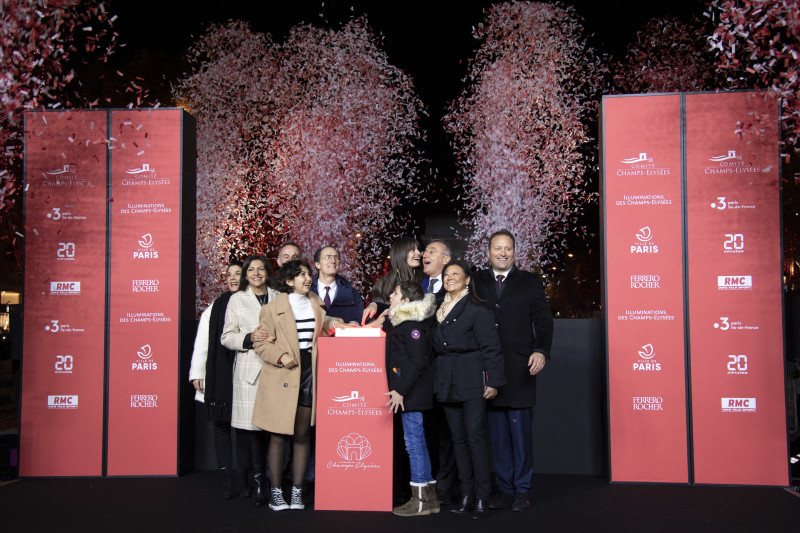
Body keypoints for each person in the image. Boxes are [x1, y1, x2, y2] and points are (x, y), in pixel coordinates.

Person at [472, 230, 554, 512]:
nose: (503, 253)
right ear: (488, 253)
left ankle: (522, 490)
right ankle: (505, 490)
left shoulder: (530, 281)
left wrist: (541, 350)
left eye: (508, 249)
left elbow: (543, 321)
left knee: (520, 437)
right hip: (487, 369)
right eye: (497, 248)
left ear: (515, 252)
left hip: (520, 369)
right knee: (497, 436)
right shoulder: (476, 280)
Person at [252, 260, 343, 511]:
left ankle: (297, 491)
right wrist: (281, 356)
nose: (307, 279)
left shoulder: (316, 304)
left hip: (308, 374)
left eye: (307, 275)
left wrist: (337, 324)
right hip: (283, 374)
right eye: (301, 275)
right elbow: (261, 344)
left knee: (302, 435)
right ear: (289, 281)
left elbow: (324, 325)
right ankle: (276, 491)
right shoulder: (272, 309)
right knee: (279, 436)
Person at [433, 260, 505, 520]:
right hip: (446, 380)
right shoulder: (437, 309)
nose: (450, 277)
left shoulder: (477, 309)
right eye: (446, 274)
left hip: (472, 378)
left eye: (456, 274)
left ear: (466, 280)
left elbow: (491, 347)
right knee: (458, 439)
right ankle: (465, 494)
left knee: (475, 437)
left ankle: (482, 496)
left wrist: (494, 381)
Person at [220, 254, 279, 506]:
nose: (256, 273)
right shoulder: (237, 300)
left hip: (277, 371)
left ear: (267, 272)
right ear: (246, 275)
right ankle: (258, 482)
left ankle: (275, 480)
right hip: (249, 372)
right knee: (253, 432)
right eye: (251, 270)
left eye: (260, 269)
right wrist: (249, 338)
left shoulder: (279, 297)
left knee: (276, 431)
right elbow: (226, 337)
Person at [382, 281, 438, 516]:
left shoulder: (411, 325)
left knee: (413, 443)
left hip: (411, 394)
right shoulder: (404, 323)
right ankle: (429, 498)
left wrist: (400, 390)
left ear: (405, 301)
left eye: (395, 294)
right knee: (417, 442)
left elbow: (418, 362)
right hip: (411, 392)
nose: (391, 297)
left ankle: (420, 501)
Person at [189, 261, 242, 498]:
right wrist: (198, 373)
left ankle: (246, 478)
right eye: (229, 274)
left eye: (238, 273)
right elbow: (203, 343)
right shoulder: (215, 307)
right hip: (220, 380)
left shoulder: (253, 304)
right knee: (221, 429)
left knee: (245, 432)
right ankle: (227, 480)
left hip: (244, 378)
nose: (232, 278)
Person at [361, 237, 423, 324]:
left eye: (418, 250)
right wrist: (374, 304)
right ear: (401, 253)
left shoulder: (424, 279)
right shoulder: (383, 283)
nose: (418, 253)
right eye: (412, 250)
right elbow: (379, 306)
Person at [311, 245, 364, 324]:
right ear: (318, 264)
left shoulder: (352, 293)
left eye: (336, 258)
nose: (333, 261)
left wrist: (354, 324)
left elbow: (359, 318)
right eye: (328, 257)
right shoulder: (306, 291)